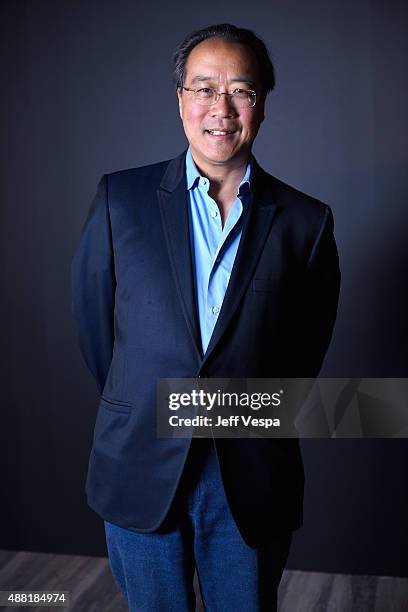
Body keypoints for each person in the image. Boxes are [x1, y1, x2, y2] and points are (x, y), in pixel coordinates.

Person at [71, 23, 340, 612]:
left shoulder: (306, 223)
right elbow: (98, 335)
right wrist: (147, 398)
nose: (221, 108)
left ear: (262, 104)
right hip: (140, 461)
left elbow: (302, 360)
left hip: (248, 473)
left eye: (240, 90)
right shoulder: (121, 201)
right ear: (180, 100)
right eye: (203, 88)